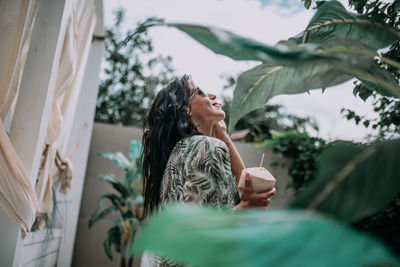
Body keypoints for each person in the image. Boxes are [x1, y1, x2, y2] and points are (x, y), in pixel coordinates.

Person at [141, 75, 276, 266]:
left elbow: (243, 185)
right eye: (201, 92)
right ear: (186, 109)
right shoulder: (207, 147)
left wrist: (221, 132)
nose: (212, 95)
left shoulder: (182, 151)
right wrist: (246, 208)